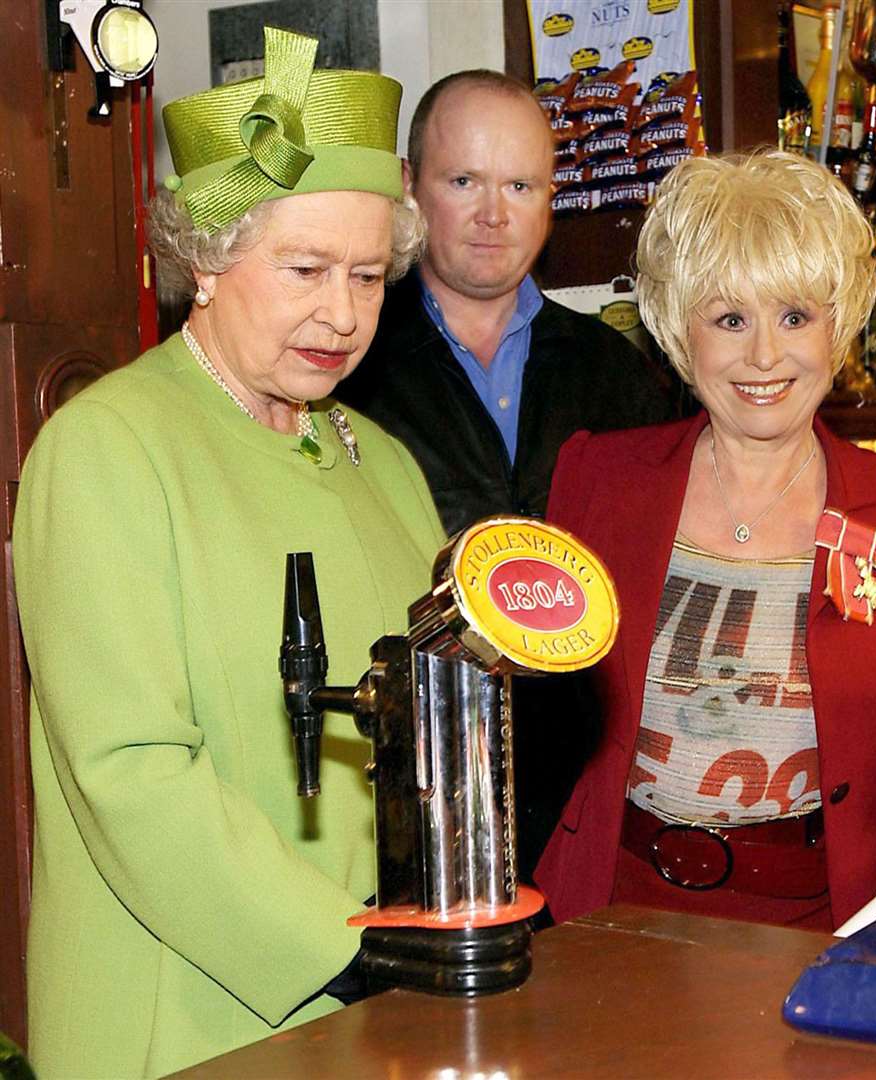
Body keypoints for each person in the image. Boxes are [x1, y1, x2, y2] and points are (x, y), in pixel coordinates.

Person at [13, 29, 443, 1078]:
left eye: (368, 277)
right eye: (303, 269)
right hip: (187, 1015)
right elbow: (131, 771)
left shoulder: (383, 462)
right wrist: (343, 946)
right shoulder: (108, 447)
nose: (341, 314)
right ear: (204, 259)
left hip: (375, 1004)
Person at [534, 149, 876, 933]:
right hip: (612, 916)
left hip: (824, 924)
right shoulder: (598, 483)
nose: (764, 355)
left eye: (795, 316)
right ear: (680, 332)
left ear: (840, 326)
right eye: (730, 319)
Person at [335, 71, 684, 880]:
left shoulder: (621, 373)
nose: (494, 214)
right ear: (408, 187)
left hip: (586, 799)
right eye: (464, 181)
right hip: (404, 791)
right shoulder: (348, 366)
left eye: (520, 185)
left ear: (550, 196)